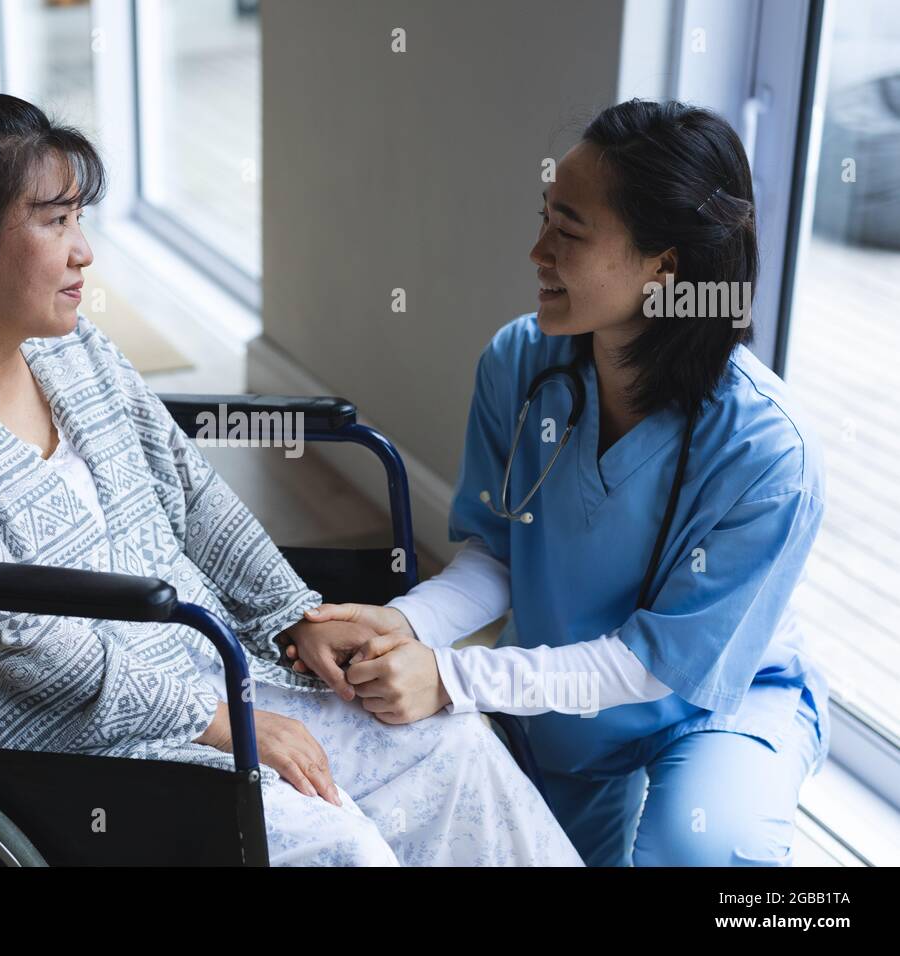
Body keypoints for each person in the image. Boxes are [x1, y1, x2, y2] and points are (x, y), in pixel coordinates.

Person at [0, 87, 583, 866]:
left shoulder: (69, 350)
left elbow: (192, 496)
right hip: (72, 754)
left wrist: (293, 617)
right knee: (339, 847)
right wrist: (221, 721)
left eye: (79, 218)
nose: (84, 250)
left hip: (211, 671)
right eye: (54, 221)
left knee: (449, 746)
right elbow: (15, 650)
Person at [292, 99, 828, 867]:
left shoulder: (771, 454)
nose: (536, 250)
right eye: (545, 217)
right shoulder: (520, 362)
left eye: (568, 231)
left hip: (719, 697)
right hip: (567, 696)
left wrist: (452, 674)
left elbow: (654, 664)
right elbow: (499, 553)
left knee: (702, 845)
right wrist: (402, 629)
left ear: (664, 267)